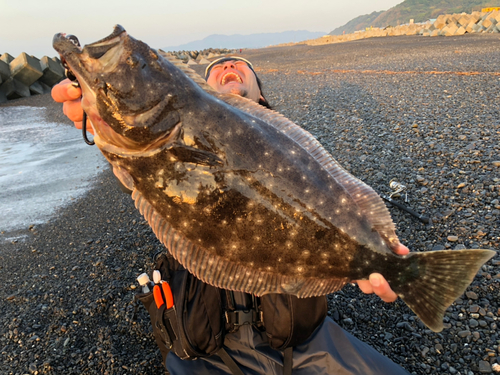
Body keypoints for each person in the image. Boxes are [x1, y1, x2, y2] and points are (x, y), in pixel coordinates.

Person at [52, 56, 411, 375]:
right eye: (217, 67)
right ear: (201, 92)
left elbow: (337, 210)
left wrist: (374, 251)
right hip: (206, 352)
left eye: (239, 64)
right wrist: (100, 116)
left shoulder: (291, 157)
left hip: (303, 345)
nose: (227, 66)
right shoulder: (177, 135)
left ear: (262, 95)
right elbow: (138, 171)